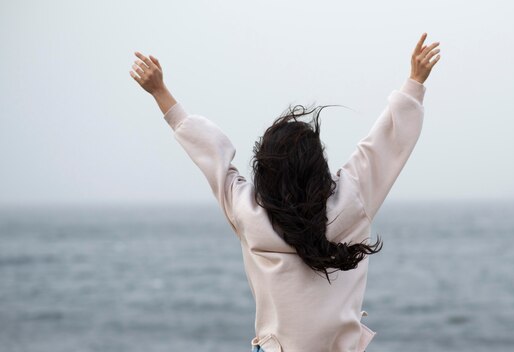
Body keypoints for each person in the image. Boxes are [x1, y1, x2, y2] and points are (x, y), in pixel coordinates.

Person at [130, 32, 440, 352]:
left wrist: (160, 92)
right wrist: (414, 81)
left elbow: (211, 156)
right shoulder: (352, 200)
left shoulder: (248, 212)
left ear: (264, 170)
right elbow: (386, 145)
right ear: (318, 164)